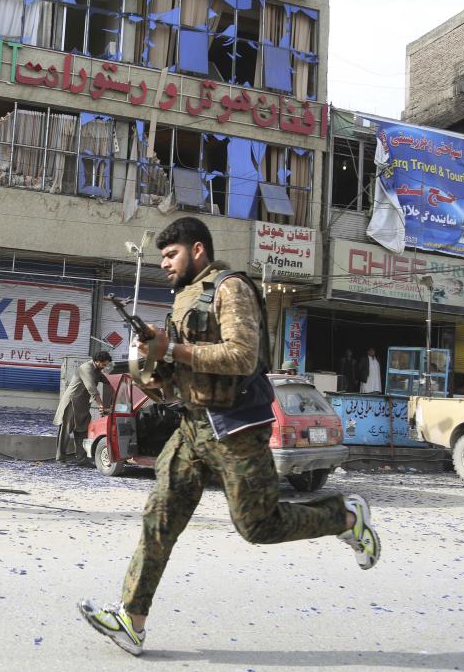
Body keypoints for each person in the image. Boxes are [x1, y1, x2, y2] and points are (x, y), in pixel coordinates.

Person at [78, 216, 381, 656]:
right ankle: (132, 620)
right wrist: (152, 365)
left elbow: (242, 357)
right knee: (158, 519)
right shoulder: (183, 298)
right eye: (161, 257)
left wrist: (173, 349)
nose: (164, 263)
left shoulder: (229, 288)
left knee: (258, 526)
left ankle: (347, 517)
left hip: (236, 428)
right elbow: (176, 375)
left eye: (171, 255)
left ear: (197, 250)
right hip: (192, 427)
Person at [53, 351, 113, 464]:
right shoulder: (86, 368)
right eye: (103, 365)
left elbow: (108, 381)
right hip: (72, 403)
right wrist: (101, 405)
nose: (105, 367)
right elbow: (92, 388)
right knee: (66, 431)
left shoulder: (97, 371)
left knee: (82, 431)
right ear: (97, 361)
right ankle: (60, 458)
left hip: (83, 405)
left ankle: (81, 459)